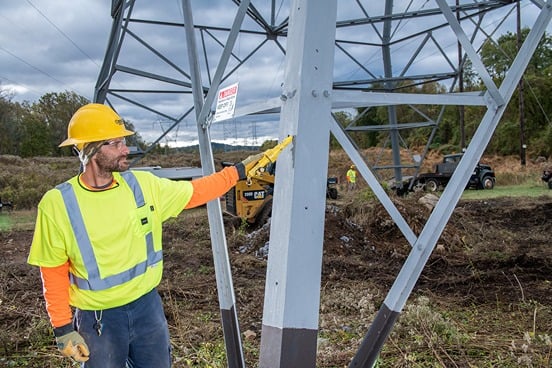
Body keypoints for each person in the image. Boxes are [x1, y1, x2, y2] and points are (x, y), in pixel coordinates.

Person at [27, 103, 264, 367]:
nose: (125, 149)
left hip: (147, 307)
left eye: (124, 142)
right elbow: (52, 270)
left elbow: (196, 191)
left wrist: (238, 172)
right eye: (116, 143)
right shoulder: (58, 204)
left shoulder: (143, 185)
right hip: (99, 319)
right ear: (91, 150)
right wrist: (62, 328)